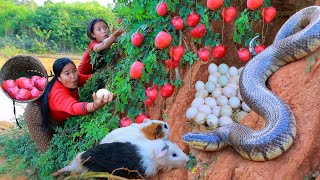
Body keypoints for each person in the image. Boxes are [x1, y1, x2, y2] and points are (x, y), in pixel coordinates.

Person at [24, 57, 114, 152]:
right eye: (67, 74)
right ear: (59, 78)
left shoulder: (73, 79)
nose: (73, 76)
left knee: (58, 134)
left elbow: (90, 79)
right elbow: (73, 107)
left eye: (74, 71)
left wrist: (108, 73)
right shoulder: (58, 94)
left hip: (53, 111)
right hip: (36, 115)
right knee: (48, 150)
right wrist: (95, 105)